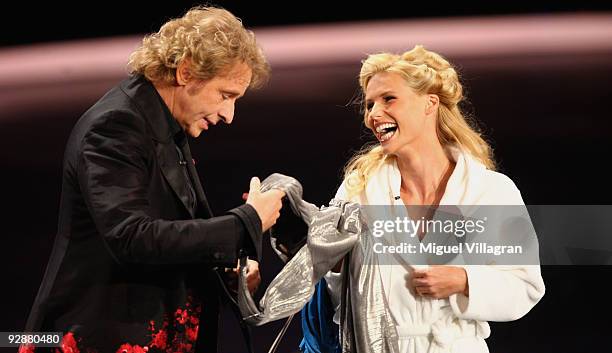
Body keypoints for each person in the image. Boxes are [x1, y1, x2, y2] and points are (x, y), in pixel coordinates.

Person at [23, 6, 284, 353]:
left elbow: (169, 235)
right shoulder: (116, 126)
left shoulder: (163, 123)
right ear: (186, 72)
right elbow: (132, 237)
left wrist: (226, 268)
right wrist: (245, 223)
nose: (228, 115)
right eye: (225, 95)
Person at [306, 45, 545, 352]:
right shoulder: (359, 189)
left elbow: (525, 285)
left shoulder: (490, 190)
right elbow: (337, 295)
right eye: (369, 105)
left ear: (429, 103)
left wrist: (464, 281)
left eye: (388, 99)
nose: (373, 115)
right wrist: (333, 264)